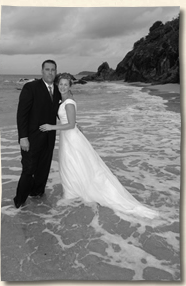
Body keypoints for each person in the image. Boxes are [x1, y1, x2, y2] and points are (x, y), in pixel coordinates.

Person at [39, 73, 159, 219]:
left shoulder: (69, 102)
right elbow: (72, 121)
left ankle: (73, 194)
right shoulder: (64, 100)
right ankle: (72, 192)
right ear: (58, 85)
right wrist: (76, 124)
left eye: (66, 84)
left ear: (70, 86)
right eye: (61, 84)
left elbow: (69, 124)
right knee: (72, 165)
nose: (63, 86)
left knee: (72, 164)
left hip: (71, 138)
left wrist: (51, 127)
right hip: (68, 137)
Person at [13, 60, 62, 208]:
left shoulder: (58, 89)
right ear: (42, 71)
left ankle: (37, 198)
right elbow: (22, 114)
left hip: (49, 139)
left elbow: (60, 111)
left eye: (53, 70)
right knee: (28, 170)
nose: (50, 72)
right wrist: (23, 137)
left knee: (43, 170)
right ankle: (19, 203)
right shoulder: (30, 87)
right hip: (31, 139)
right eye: (47, 69)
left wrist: (73, 123)